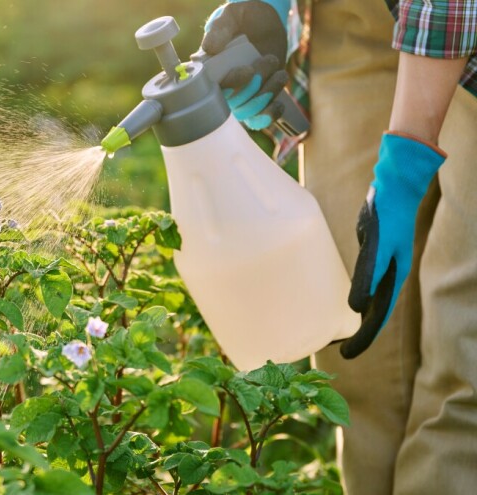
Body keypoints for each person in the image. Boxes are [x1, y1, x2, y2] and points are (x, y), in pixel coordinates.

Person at [201, 0, 477, 493]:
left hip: (455, 18)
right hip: (351, 21)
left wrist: (403, 169)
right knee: (353, 348)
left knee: (465, 358)